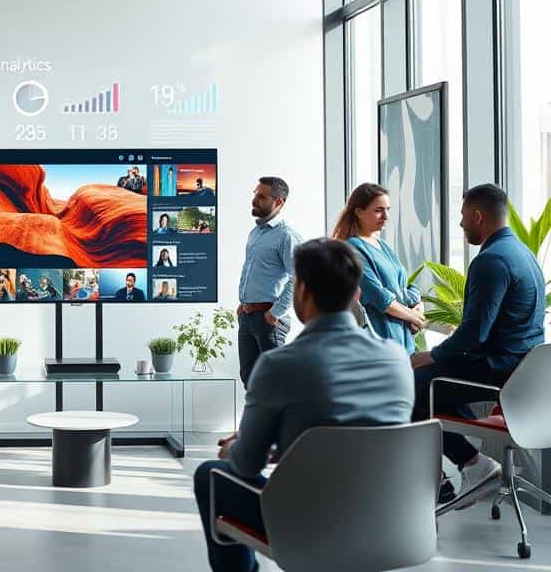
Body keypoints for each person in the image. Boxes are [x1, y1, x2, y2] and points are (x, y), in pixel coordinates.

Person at [194, 238, 414, 572]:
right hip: (390, 522)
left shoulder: (280, 364)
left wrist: (236, 447)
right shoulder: (396, 359)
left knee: (211, 475)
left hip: (310, 526)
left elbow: (246, 466)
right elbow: (360, 436)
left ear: (302, 293)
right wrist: (288, 447)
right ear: (357, 293)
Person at [411, 184, 546, 505]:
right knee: (433, 386)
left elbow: (474, 335)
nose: (461, 224)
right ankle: (476, 466)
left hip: (499, 370)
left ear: (478, 216)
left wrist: (430, 355)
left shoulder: (491, 260)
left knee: (412, 385)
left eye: (462, 216)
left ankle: (474, 465)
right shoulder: (524, 255)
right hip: (525, 374)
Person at [333, 183, 427, 354]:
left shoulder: (382, 246)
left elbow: (406, 287)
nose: (386, 216)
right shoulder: (352, 248)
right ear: (359, 212)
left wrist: (418, 306)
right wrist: (415, 318)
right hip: (380, 340)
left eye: (387, 209)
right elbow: (380, 298)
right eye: (378, 210)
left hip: (403, 339)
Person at [236, 177, 302, 388]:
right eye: (255, 194)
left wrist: (275, 313)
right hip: (248, 317)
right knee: (249, 379)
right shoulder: (255, 233)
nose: (254, 199)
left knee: (276, 383)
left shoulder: (286, 236)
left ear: (278, 202)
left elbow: (299, 278)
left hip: (268, 320)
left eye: (261, 196)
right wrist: (243, 304)